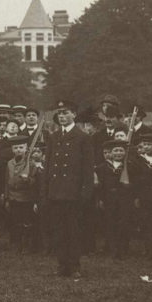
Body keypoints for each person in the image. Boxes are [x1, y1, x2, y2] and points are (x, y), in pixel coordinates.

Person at [42, 100, 94, 279]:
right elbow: (48, 165)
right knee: (58, 230)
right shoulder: (54, 137)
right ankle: (62, 264)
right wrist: (46, 190)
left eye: (65, 113)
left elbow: (88, 168)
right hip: (56, 191)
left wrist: (86, 192)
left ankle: (74, 265)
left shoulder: (83, 137)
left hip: (73, 193)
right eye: (59, 113)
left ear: (74, 115)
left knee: (73, 230)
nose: (62, 116)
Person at [2, 136, 41, 254]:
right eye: (16, 148)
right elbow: (6, 180)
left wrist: (27, 179)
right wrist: (6, 196)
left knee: (26, 222)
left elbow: (35, 182)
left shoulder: (31, 163)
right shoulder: (10, 163)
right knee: (15, 222)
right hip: (13, 197)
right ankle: (16, 244)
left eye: (21, 147)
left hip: (25, 197)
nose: (18, 150)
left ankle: (26, 245)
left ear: (26, 149)